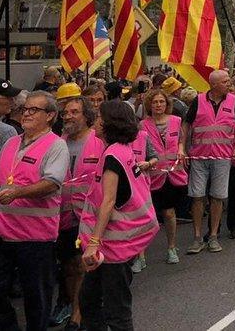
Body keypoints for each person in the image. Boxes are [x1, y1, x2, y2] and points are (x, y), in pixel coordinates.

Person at [0, 90, 69, 331]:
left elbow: (52, 182)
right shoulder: (10, 142)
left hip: (35, 236)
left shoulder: (56, 145)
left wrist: (17, 193)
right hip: (1, 231)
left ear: (50, 115)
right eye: (25, 109)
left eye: (33, 110)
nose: (26, 113)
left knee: (36, 296)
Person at [78, 101, 160, 331]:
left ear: (107, 124)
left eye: (98, 117)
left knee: (115, 310)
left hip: (112, 247)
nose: (94, 120)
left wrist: (93, 243)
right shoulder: (122, 150)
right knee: (90, 301)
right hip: (115, 245)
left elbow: (109, 201)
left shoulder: (113, 156)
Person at [52, 93, 104, 330]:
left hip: (89, 215)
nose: (69, 117)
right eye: (66, 113)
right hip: (62, 215)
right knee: (69, 267)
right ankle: (74, 303)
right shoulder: (56, 142)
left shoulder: (99, 142)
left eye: (75, 112)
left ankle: (77, 315)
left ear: (86, 116)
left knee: (84, 264)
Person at [183, 70, 235, 254]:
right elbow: (186, 123)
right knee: (197, 196)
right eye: (225, 81)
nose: (229, 84)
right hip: (199, 156)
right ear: (214, 85)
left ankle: (212, 236)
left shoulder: (233, 101)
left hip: (222, 157)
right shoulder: (199, 100)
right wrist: (182, 146)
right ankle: (197, 238)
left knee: (218, 197)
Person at [141, 89, 187, 264]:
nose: (158, 105)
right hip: (152, 175)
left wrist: (181, 150)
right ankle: (141, 255)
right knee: (146, 216)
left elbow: (181, 141)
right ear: (149, 105)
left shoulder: (176, 121)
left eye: (161, 102)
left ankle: (171, 247)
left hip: (172, 174)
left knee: (169, 213)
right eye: (155, 102)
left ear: (167, 104)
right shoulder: (143, 125)